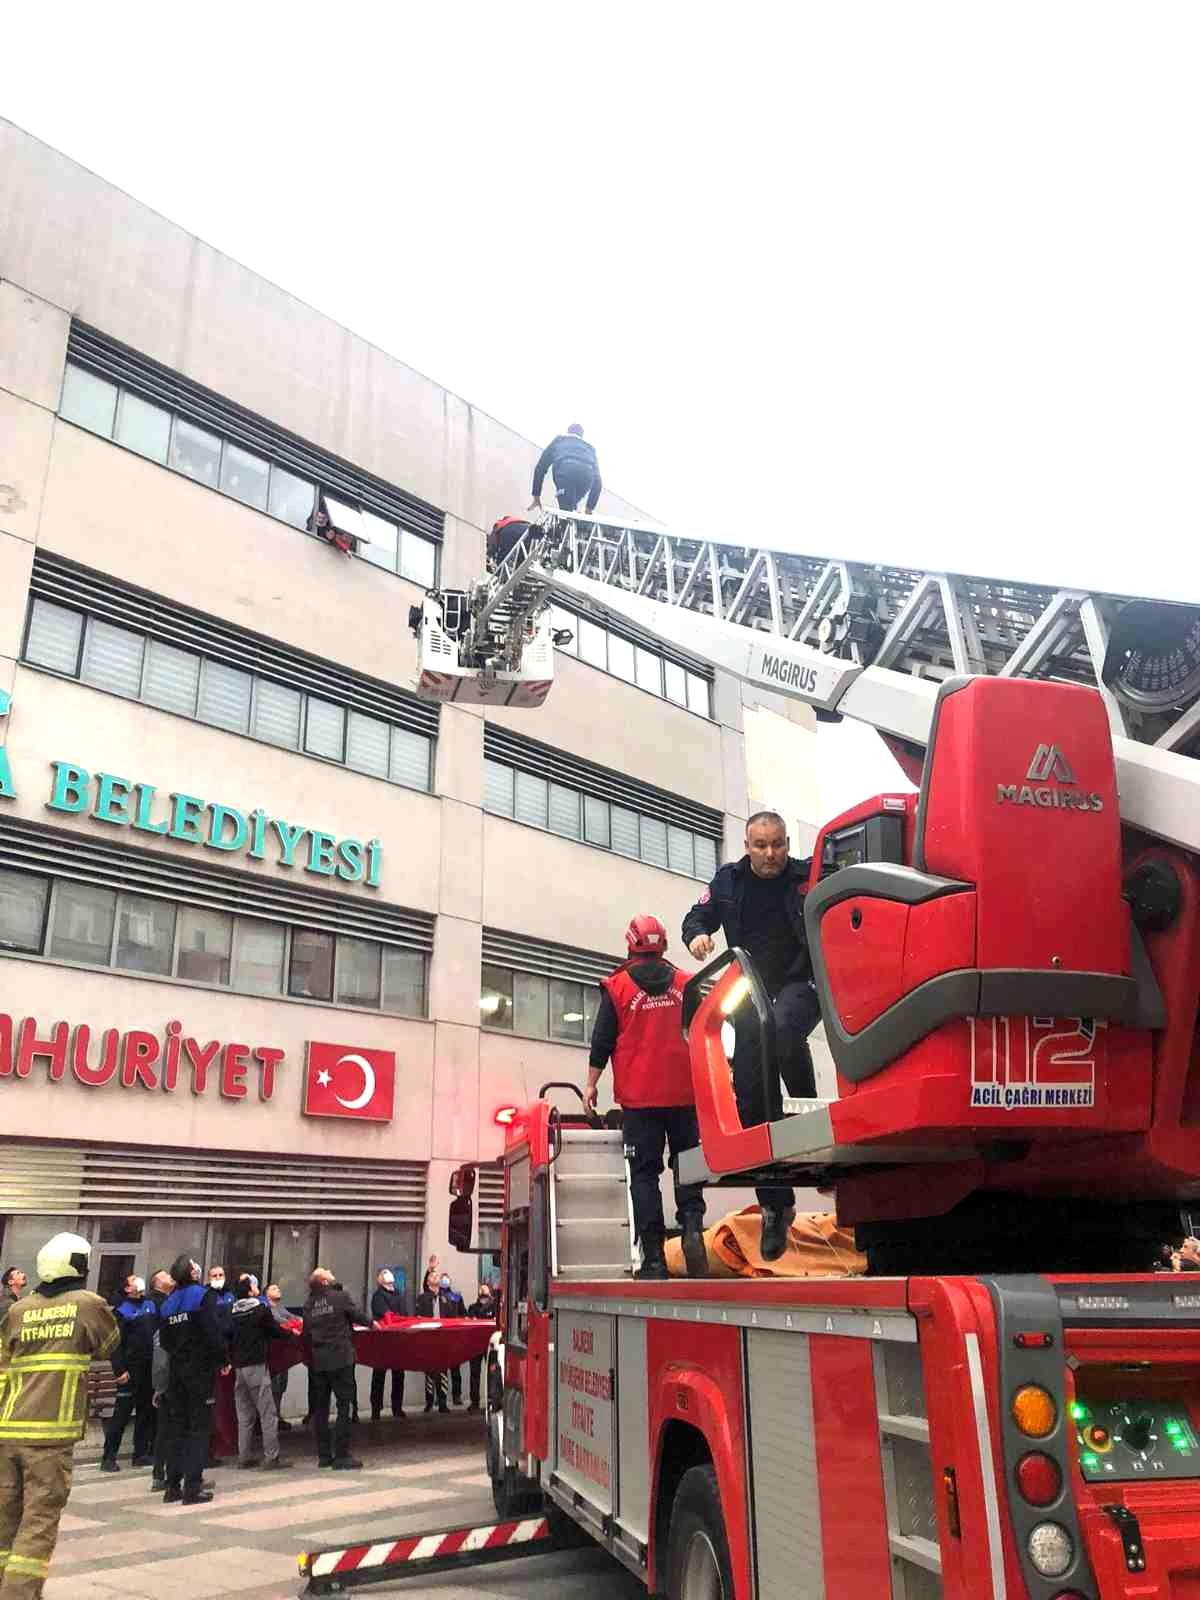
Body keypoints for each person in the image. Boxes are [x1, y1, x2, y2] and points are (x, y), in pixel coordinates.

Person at [683, 809, 819, 1261]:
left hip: (801, 981)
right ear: (747, 846)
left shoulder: (806, 876)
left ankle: (807, 1113)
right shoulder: (729, 881)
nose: (770, 854)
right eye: (760, 845)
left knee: (783, 1033)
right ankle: (775, 1209)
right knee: (752, 1097)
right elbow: (696, 916)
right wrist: (698, 937)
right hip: (748, 988)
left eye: (777, 844)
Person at [586, 914, 707, 1280]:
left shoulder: (618, 987)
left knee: (644, 1175)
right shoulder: (687, 984)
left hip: (640, 1100)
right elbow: (704, 1031)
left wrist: (591, 1084)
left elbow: (602, 1041)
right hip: (684, 1094)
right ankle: (691, 1227)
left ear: (630, 943)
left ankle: (653, 1256)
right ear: (664, 944)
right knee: (687, 1165)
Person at [0, 1232, 118, 1596]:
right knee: (38, 1526)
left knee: (5, 1525)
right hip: (49, 1437)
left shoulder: (19, 1310)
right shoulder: (88, 1304)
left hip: (7, 1430)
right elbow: (109, 1344)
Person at [159, 1254, 229, 1504]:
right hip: (199, 1371)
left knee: (177, 1428)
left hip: (176, 1371)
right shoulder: (202, 1295)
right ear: (191, 1273)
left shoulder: (168, 1303)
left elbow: (165, 1341)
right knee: (198, 1429)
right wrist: (223, 1359)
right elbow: (213, 1331)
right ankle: (192, 1487)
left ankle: (172, 1486)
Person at [301, 1269, 371, 1470]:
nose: (332, 1273)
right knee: (344, 1405)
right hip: (340, 1358)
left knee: (321, 1409)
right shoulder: (339, 1297)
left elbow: (306, 1333)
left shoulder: (308, 1304)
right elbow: (357, 1315)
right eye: (328, 1272)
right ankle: (341, 1455)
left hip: (319, 1362)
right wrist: (372, 1323)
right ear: (324, 1281)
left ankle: (324, 1456)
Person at [230, 1275, 291, 1470]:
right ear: (250, 1292)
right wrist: (291, 1334)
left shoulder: (232, 1311)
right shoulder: (259, 1309)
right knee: (267, 1412)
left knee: (245, 1414)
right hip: (256, 1365)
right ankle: (271, 1456)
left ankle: (244, 1456)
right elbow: (274, 1330)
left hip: (238, 1367)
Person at [100, 1275, 158, 1472]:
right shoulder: (121, 1311)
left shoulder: (151, 1305)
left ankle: (140, 1454)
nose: (139, 1282)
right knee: (122, 1414)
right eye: (134, 1280)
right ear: (127, 1288)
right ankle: (108, 1457)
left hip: (149, 1367)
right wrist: (119, 1369)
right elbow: (115, 1344)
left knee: (146, 1412)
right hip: (130, 1369)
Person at [529, 424, 602, 515]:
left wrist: (536, 496)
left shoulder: (560, 440)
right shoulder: (590, 448)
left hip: (566, 472)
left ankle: (568, 516)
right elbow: (598, 482)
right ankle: (573, 512)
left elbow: (540, 468)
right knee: (571, 508)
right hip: (587, 477)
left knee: (566, 513)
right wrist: (589, 508)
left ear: (568, 432)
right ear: (581, 436)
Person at [415, 1271, 458, 1414]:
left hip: (443, 1339)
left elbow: (453, 1318)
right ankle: (429, 1401)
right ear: (427, 1282)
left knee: (443, 1372)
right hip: (428, 1338)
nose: (436, 1277)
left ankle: (443, 1402)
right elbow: (417, 1316)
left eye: (437, 1276)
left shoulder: (446, 1299)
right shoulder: (423, 1298)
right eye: (432, 1276)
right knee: (429, 1372)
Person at [368, 1270, 407, 1422]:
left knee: (399, 1375)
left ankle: (397, 1407)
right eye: (388, 1284)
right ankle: (376, 1409)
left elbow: (404, 1313)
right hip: (382, 1340)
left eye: (392, 1283)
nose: (391, 1286)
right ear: (382, 1283)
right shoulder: (378, 1296)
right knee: (379, 1375)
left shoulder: (399, 1294)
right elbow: (384, 1313)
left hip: (398, 1339)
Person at [264, 1285, 293, 1431]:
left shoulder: (280, 1307)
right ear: (266, 1293)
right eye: (274, 1288)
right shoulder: (267, 1308)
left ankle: (278, 1415)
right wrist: (291, 1324)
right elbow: (279, 1322)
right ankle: (271, 1418)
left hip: (284, 1353)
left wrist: (296, 1322)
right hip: (272, 1353)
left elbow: (293, 1318)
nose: (278, 1289)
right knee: (273, 1386)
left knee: (281, 1385)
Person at [465, 1283, 496, 1413]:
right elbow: (469, 1321)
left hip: (490, 1344)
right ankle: (474, 1401)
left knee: (492, 1374)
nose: (483, 1290)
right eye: (481, 1288)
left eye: (485, 1288)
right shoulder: (472, 1307)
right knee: (474, 1373)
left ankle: (492, 1400)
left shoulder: (495, 1307)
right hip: (475, 1344)